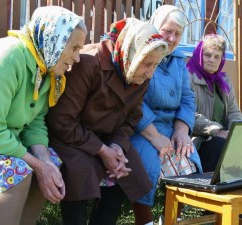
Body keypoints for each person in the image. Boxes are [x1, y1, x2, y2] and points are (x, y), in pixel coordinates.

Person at [46, 18, 168, 225]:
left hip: (108, 138)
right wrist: (102, 150)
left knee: (124, 166)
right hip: (72, 138)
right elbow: (62, 121)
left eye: (156, 65)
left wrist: (117, 145)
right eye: (147, 64)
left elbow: (132, 118)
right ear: (132, 52)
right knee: (80, 169)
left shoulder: (139, 73)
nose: (151, 72)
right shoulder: (87, 62)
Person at [0, 6, 86, 225]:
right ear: (55, 39)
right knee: (19, 169)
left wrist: (44, 162)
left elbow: (36, 123)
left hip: (2, 141)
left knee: (51, 163)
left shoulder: (46, 67)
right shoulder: (9, 58)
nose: (78, 58)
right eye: (74, 48)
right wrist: (35, 163)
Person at [129, 5, 203, 225]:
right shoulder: (143, 51)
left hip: (171, 127)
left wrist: (181, 130)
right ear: (155, 27)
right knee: (148, 164)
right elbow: (134, 98)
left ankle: (173, 217)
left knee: (187, 158)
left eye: (177, 33)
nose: (171, 38)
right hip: (142, 127)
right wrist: (154, 136)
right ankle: (145, 220)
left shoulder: (178, 60)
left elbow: (188, 98)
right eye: (167, 31)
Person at [187, 34, 242, 172]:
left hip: (222, 137)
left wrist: (236, 132)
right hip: (197, 141)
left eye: (216, 56)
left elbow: (233, 111)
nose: (212, 60)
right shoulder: (188, 77)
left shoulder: (223, 81)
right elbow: (188, 114)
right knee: (220, 145)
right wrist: (216, 130)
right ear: (200, 55)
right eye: (207, 55)